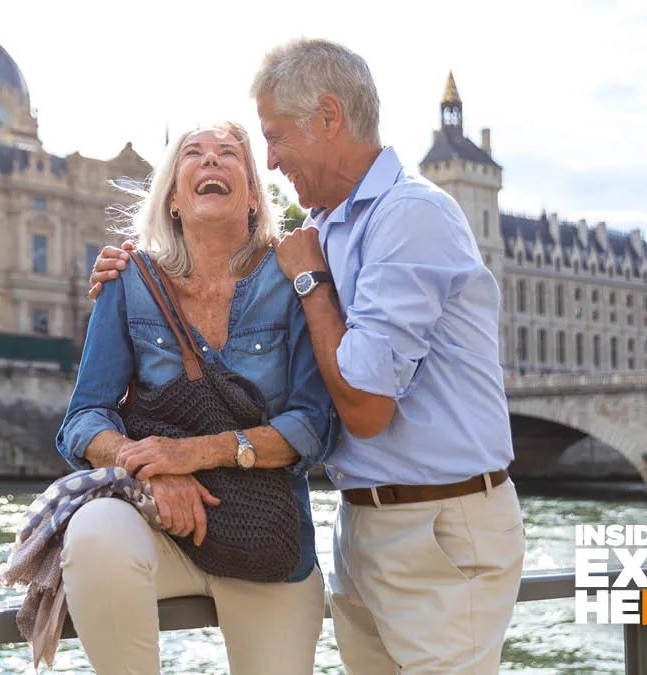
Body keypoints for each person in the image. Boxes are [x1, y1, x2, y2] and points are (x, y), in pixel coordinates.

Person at [89, 39, 524, 675]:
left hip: (441, 525)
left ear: (327, 118)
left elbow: (366, 408)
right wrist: (129, 272)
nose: (271, 159)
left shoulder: (410, 216)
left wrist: (313, 283)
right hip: (366, 523)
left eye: (274, 136)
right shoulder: (325, 226)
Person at [56, 122, 338, 674]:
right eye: (195, 154)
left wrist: (191, 454)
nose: (212, 161)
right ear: (172, 197)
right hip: (160, 529)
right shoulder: (129, 279)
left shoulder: (293, 279)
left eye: (230, 154)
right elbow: (83, 418)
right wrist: (151, 471)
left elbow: (313, 429)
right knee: (92, 533)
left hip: (269, 542)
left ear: (255, 195)